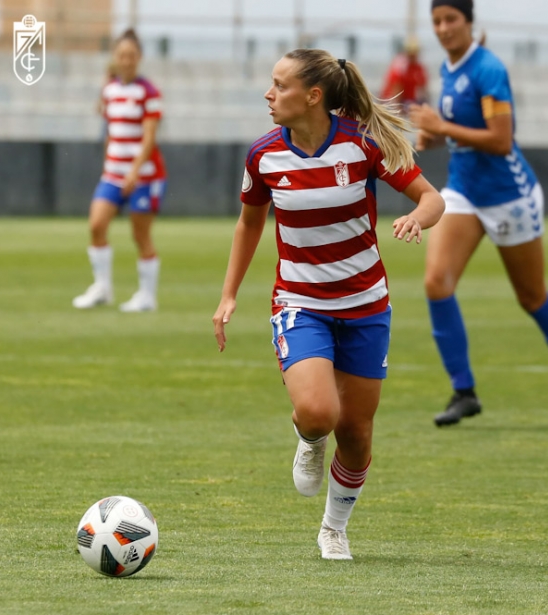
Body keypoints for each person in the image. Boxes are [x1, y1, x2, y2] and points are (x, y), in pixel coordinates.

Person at [212, 49, 444, 560]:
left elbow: (432, 198)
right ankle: (309, 437)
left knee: (357, 433)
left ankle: (334, 528)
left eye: (280, 85)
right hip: (300, 302)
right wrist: (229, 294)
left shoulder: (363, 144)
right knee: (319, 414)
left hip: (366, 305)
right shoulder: (263, 156)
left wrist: (416, 220)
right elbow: (250, 222)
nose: (268, 95)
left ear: (313, 96)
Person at [409, 0, 548, 427]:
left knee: (531, 297)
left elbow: (501, 141)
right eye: (436, 20)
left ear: (469, 22)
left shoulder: (488, 69)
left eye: (450, 19)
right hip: (463, 192)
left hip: (509, 195)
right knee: (437, 283)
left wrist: (442, 128)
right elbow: (462, 137)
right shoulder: (448, 69)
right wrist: (433, 139)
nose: (442, 28)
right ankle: (464, 391)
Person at [73, 28, 166, 312]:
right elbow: (108, 127)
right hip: (113, 173)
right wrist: (109, 165)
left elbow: (150, 137)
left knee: (140, 235)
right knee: (96, 225)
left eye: (132, 55)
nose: (127, 60)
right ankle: (102, 287)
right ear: (115, 58)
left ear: (139, 58)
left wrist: (134, 173)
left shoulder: (148, 92)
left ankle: (147, 297)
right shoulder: (110, 89)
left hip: (144, 176)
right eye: (122, 55)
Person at [380, 35, 429, 108]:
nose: (413, 55)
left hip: (408, 102)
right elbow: (396, 91)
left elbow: (423, 89)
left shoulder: (419, 68)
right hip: (391, 101)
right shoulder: (400, 66)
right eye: (410, 52)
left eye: (415, 52)